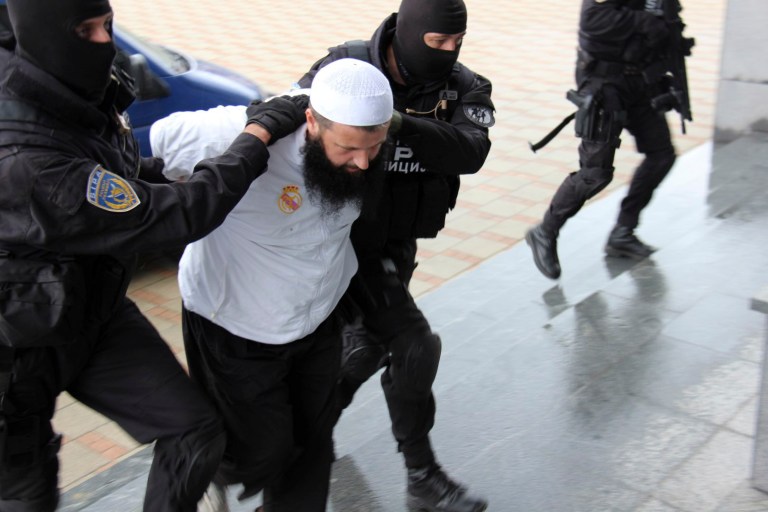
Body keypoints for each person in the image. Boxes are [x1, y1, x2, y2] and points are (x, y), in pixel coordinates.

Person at [0, 1, 307, 510]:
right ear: (45, 37)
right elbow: (174, 217)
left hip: (90, 313)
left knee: (195, 432)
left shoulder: (67, 91)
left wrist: (178, 169)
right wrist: (254, 139)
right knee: (29, 494)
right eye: (85, 29)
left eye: (106, 24)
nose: (105, 41)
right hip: (15, 350)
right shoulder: (24, 159)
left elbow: (114, 173)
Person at [150, 58, 393, 512]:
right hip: (234, 323)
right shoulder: (240, 131)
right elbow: (156, 137)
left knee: (312, 444)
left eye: (374, 147)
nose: (362, 162)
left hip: (317, 317)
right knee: (260, 452)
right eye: (348, 148)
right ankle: (209, 466)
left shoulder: (364, 153)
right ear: (312, 123)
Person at [296, 0, 494, 510]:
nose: (448, 52)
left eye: (457, 42)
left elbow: (470, 152)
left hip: (390, 249)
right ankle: (416, 470)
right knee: (408, 345)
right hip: (328, 242)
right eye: (437, 42)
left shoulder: (465, 87)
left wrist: (395, 124)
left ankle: (312, 444)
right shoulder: (345, 68)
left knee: (373, 351)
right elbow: (295, 122)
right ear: (409, 32)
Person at [525, 0, 686, 279]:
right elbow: (593, 19)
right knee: (595, 173)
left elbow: (666, 25)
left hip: (643, 82)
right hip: (605, 84)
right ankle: (544, 231)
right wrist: (643, 23)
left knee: (662, 155)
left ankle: (623, 232)